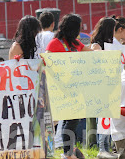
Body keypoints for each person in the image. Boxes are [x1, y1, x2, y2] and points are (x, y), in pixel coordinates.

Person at [45, 14, 92, 159]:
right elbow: (46, 60)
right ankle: (67, 153)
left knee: (71, 120)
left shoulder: (75, 43)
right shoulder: (54, 44)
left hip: (75, 89)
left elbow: (90, 54)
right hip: (60, 89)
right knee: (70, 121)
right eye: (79, 26)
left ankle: (69, 151)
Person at [90, 17, 117, 159]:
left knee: (109, 117)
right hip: (100, 86)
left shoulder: (110, 45)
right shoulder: (97, 45)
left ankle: (107, 147)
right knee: (103, 118)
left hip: (110, 85)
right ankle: (102, 148)